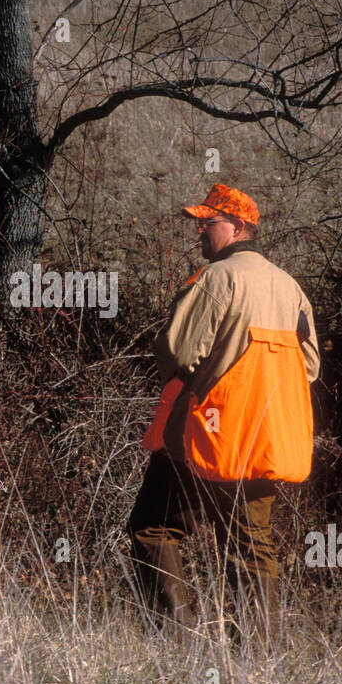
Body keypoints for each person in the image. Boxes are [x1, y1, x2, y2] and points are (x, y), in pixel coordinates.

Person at [129, 183, 320, 643]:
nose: (200, 231)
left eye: (208, 222)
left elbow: (176, 351)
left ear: (237, 227)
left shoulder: (216, 279)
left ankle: (178, 640)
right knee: (252, 548)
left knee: (152, 527)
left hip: (202, 436)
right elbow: (309, 367)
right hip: (262, 441)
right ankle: (259, 659)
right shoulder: (290, 288)